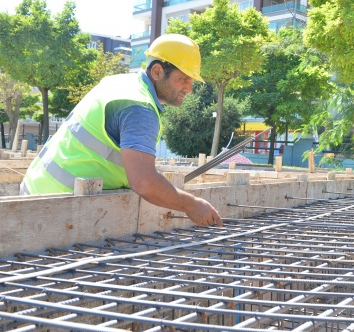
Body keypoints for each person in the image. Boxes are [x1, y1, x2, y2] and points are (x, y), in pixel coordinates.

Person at [21, 34, 222, 227]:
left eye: (192, 81)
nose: (189, 89)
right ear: (158, 72)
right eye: (184, 79)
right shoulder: (139, 108)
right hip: (54, 206)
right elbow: (143, 182)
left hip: (36, 190)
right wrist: (192, 204)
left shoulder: (120, 83)